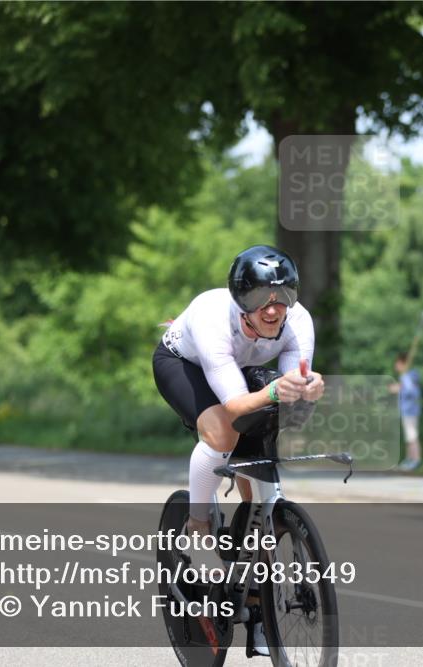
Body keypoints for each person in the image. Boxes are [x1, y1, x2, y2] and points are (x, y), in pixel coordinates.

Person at [151, 244, 324, 654]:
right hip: (186, 365)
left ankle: (259, 606)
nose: (272, 309)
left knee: (261, 457)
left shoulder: (299, 323)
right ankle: (198, 524)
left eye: (282, 297)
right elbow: (234, 406)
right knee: (224, 433)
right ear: (238, 299)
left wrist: (307, 388)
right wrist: (277, 392)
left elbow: (288, 394)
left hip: (247, 370)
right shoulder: (214, 318)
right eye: (258, 299)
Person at [389, 352, 422, 472]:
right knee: (409, 437)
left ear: (403, 363)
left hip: (410, 410)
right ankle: (409, 459)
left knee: (412, 436)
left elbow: (411, 392)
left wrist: (399, 388)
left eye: (397, 364)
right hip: (408, 410)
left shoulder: (407, 377)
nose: (396, 366)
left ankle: (415, 459)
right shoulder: (408, 377)